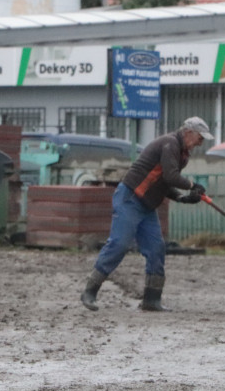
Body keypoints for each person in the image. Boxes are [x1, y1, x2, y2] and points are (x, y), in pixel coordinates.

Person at [80, 117, 213, 312]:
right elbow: (170, 176)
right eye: (200, 138)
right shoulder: (170, 144)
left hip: (146, 206)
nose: (201, 143)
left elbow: (164, 183)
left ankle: (152, 299)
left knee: (156, 248)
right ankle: (90, 291)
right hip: (130, 198)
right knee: (120, 243)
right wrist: (193, 186)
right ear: (188, 132)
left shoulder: (182, 153)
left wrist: (182, 198)